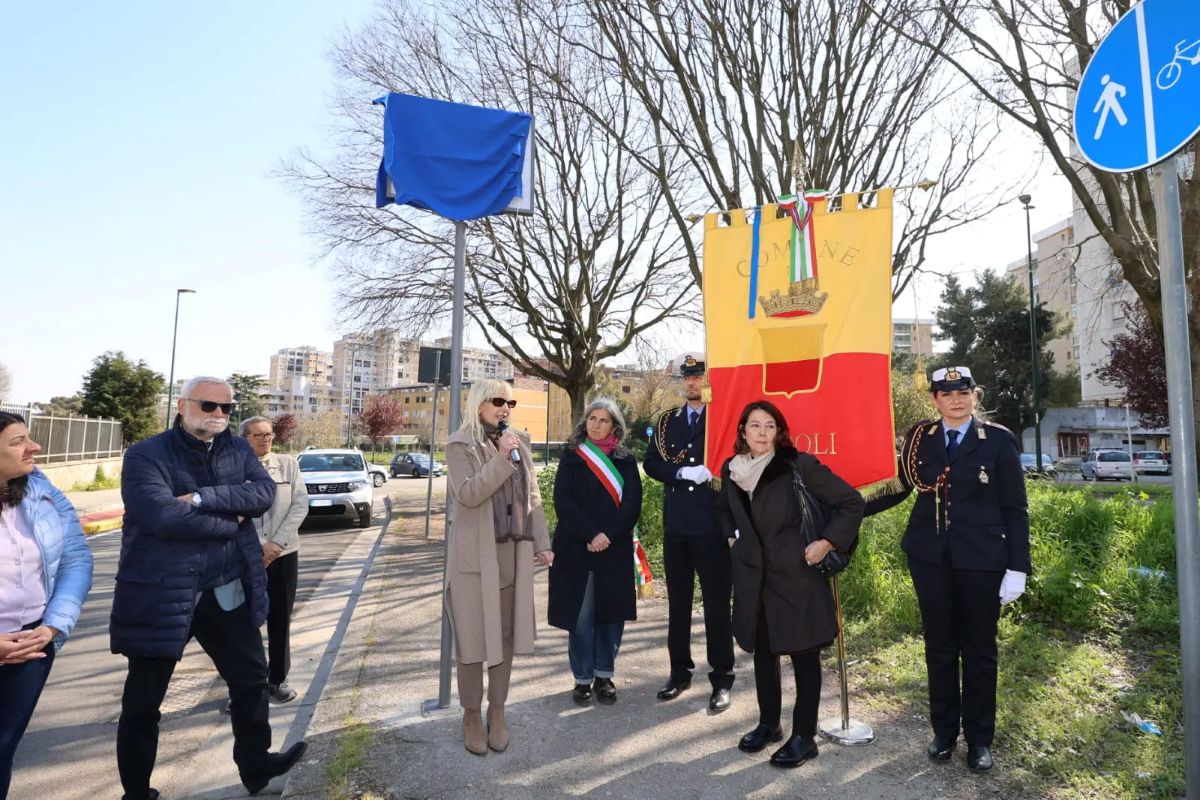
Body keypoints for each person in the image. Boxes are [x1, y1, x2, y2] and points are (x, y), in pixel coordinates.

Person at [112, 377, 306, 800]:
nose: (219, 414)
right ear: (182, 405)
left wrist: (199, 499)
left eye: (227, 408)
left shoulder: (238, 449)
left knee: (252, 679)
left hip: (225, 589)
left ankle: (256, 766)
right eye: (208, 405)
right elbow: (160, 516)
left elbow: (262, 495)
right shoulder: (147, 455)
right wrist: (229, 520)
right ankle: (137, 790)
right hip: (163, 595)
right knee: (143, 703)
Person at [865, 366, 1031, 773]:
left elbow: (1015, 507)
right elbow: (898, 487)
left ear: (975, 395)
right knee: (939, 647)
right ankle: (944, 733)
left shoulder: (998, 440)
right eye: (945, 393)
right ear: (934, 399)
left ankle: (979, 740)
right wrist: (848, 508)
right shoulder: (921, 440)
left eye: (963, 392)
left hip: (982, 561)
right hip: (930, 558)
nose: (955, 399)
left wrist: (1018, 568)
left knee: (979, 650)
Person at [715, 400, 863, 768]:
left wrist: (826, 542)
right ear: (743, 432)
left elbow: (851, 502)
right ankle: (769, 725)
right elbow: (721, 510)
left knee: (804, 657)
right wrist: (732, 540)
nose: (762, 432)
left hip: (797, 577)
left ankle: (804, 736)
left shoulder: (799, 465)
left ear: (778, 432)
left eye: (769, 426)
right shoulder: (732, 470)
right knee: (764, 654)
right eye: (755, 425)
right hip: (754, 580)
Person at [445, 378, 553, 756]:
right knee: (473, 637)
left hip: (511, 554)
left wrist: (543, 543)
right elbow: (469, 493)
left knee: (505, 636)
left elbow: (534, 495)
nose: (505, 408)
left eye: (511, 402)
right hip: (474, 559)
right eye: (498, 401)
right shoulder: (459, 444)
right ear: (478, 404)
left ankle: (498, 709)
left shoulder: (519, 441)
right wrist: (501, 460)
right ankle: (472, 713)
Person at [0, 412, 94, 799]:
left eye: (30, 438)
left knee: (3, 749)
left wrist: (53, 626)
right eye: (18, 441)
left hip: (31, 646)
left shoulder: (41, 490)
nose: (34, 447)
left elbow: (76, 559)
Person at [643, 353, 735, 712]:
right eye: (688, 378)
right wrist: (680, 474)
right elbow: (651, 463)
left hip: (713, 526)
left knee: (716, 606)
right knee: (678, 604)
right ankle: (679, 672)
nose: (693, 383)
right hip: (678, 525)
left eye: (699, 377)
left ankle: (722, 678)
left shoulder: (723, 418)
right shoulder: (667, 422)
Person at [547, 399, 642, 706]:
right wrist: (591, 533)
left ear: (615, 426)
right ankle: (583, 678)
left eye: (603, 420)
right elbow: (564, 501)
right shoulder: (573, 457)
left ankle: (604, 674)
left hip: (612, 549)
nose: (596, 424)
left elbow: (631, 505)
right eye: (592, 419)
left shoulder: (626, 460)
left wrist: (607, 536)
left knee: (610, 615)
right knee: (582, 615)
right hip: (578, 546)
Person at [240, 416, 308, 705]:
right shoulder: (233, 469)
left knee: (280, 619)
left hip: (284, 554)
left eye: (268, 434)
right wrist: (258, 546)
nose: (265, 439)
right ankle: (246, 686)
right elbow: (231, 509)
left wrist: (275, 544)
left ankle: (277, 679)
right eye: (257, 435)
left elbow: (300, 504)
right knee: (244, 624)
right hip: (245, 556)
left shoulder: (289, 465)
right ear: (244, 438)